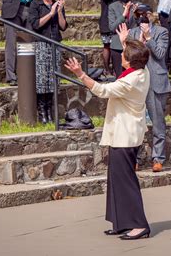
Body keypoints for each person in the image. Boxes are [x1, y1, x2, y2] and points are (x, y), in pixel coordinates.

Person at [64, 24, 151, 240]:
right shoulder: (141, 69)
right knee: (115, 180)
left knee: (126, 181)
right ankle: (121, 222)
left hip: (126, 136)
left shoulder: (131, 81)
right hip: (123, 133)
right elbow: (135, 55)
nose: (121, 55)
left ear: (130, 60)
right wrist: (125, 40)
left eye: (124, 53)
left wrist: (81, 74)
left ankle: (139, 225)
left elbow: (103, 90)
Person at [128, 4, 171, 172]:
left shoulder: (161, 32)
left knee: (158, 122)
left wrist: (149, 37)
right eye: (138, 14)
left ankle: (158, 158)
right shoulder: (132, 33)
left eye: (144, 14)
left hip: (155, 82)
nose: (141, 18)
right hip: (137, 82)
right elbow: (130, 57)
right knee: (137, 122)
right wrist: (132, 40)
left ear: (150, 15)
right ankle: (136, 158)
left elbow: (160, 54)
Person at [28, 0, 67, 123]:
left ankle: (50, 112)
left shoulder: (57, 4)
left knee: (53, 79)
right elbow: (35, 24)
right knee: (42, 79)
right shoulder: (35, 4)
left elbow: (63, 26)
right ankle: (42, 112)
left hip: (55, 43)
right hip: (42, 43)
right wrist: (50, 13)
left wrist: (60, 11)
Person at [97, 0, 126, 75]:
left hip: (119, 15)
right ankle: (107, 69)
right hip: (106, 16)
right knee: (107, 44)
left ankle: (118, 68)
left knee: (118, 43)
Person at [108, 0, 138, 77]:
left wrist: (136, 14)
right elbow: (112, 28)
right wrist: (124, 14)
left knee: (133, 76)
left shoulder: (136, 6)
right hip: (118, 47)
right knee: (120, 77)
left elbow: (140, 26)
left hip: (133, 46)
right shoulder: (113, 7)